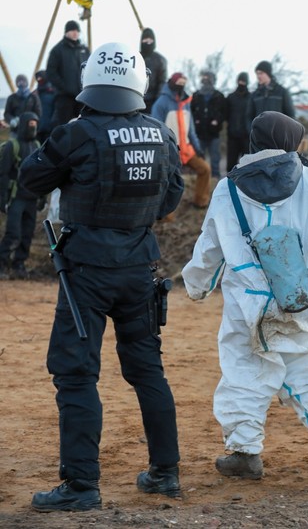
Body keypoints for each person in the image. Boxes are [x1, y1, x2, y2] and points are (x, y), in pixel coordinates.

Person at [17, 41, 185, 511]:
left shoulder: (77, 132)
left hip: (86, 272)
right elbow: (171, 198)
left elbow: (30, 181)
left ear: (90, 79)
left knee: (75, 375)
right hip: (140, 268)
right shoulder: (160, 134)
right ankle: (164, 472)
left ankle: (81, 485)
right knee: (147, 369)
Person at [182, 111, 308, 479]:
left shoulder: (228, 188)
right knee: (295, 357)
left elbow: (211, 247)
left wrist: (196, 285)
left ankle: (245, 452)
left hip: (247, 302)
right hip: (296, 294)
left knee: (244, 370)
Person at [151, 72, 212, 208]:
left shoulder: (186, 103)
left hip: (187, 150)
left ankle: (200, 202)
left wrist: (198, 148)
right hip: (170, 152)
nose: (181, 86)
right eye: (178, 83)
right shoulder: (161, 104)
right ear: (171, 83)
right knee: (169, 181)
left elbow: (190, 130)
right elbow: (156, 130)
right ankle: (167, 215)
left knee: (205, 169)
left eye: (183, 84)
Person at [0, 112, 42, 279]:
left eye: (35, 124)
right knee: (13, 234)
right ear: (23, 125)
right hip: (16, 198)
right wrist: (2, 198)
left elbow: (42, 174)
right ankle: (2, 264)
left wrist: (43, 198)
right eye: (30, 124)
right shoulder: (12, 145)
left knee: (27, 234)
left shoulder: (38, 145)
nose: (33, 127)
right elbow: (3, 174)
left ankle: (19, 265)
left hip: (32, 198)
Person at [46, 20, 89, 130]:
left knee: (83, 127)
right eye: (72, 30)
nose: (75, 33)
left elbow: (90, 69)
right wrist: (64, 87)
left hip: (82, 98)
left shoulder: (84, 49)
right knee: (65, 128)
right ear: (66, 32)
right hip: (65, 99)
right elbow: (51, 72)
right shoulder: (57, 50)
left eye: (77, 30)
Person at [191, 71, 227, 178]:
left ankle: (215, 179)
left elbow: (224, 112)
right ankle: (200, 179)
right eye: (204, 78)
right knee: (200, 158)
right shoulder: (196, 95)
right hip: (200, 132)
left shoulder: (219, 96)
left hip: (214, 133)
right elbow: (191, 111)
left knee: (215, 158)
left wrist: (217, 120)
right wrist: (195, 120)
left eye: (208, 78)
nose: (206, 80)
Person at [246, 60, 295, 126]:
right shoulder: (254, 95)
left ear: (268, 73)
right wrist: (253, 132)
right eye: (257, 73)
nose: (258, 76)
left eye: (261, 73)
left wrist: (284, 134)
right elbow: (248, 117)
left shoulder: (282, 92)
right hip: (259, 135)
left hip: (278, 134)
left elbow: (291, 116)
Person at [225, 72, 251, 172]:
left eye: (244, 81)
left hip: (246, 136)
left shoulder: (251, 97)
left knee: (247, 164)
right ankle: (229, 185)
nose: (242, 83)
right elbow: (226, 114)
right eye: (240, 81)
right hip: (232, 136)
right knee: (231, 164)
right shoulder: (230, 97)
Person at [140, 28, 167, 114]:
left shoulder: (160, 60)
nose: (148, 42)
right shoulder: (136, 57)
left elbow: (162, 81)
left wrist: (157, 101)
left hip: (153, 101)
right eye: (145, 39)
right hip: (136, 98)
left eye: (150, 39)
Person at [35, 70, 57, 141]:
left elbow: (57, 111)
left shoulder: (54, 92)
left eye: (41, 78)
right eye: (37, 79)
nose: (39, 80)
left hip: (50, 130)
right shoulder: (35, 94)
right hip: (37, 131)